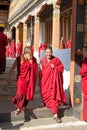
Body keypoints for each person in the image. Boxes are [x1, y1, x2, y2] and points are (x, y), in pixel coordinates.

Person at [8, 46, 38, 115]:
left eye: (32, 54)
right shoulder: (19, 59)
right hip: (21, 79)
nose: (31, 56)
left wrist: (31, 63)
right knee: (20, 93)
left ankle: (21, 107)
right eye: (29, 54)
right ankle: (18, 106)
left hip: (29, 80)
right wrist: (9, 78)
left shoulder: (33, 60)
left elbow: (35, 70)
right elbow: (12, 69)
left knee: (27, 94)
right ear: (25, 53)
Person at [40, 46, 66, 123]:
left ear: (52, 52)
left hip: (53, 84)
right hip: (45, 83)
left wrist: (55, 67)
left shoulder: (56, 60)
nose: (49, 54)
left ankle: (55, 115)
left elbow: (61, 69)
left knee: (53, 98)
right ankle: (49, 107)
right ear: (45, 53)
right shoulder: (42, 61)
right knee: (47, 97)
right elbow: (41, 73)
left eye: (50, 52)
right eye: (47, 52)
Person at [80, 46, 87, 121]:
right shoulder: (84, 60)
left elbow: (83, 71)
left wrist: (81, 72)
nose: (83, 53)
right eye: (82, 51)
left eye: (84, 51)